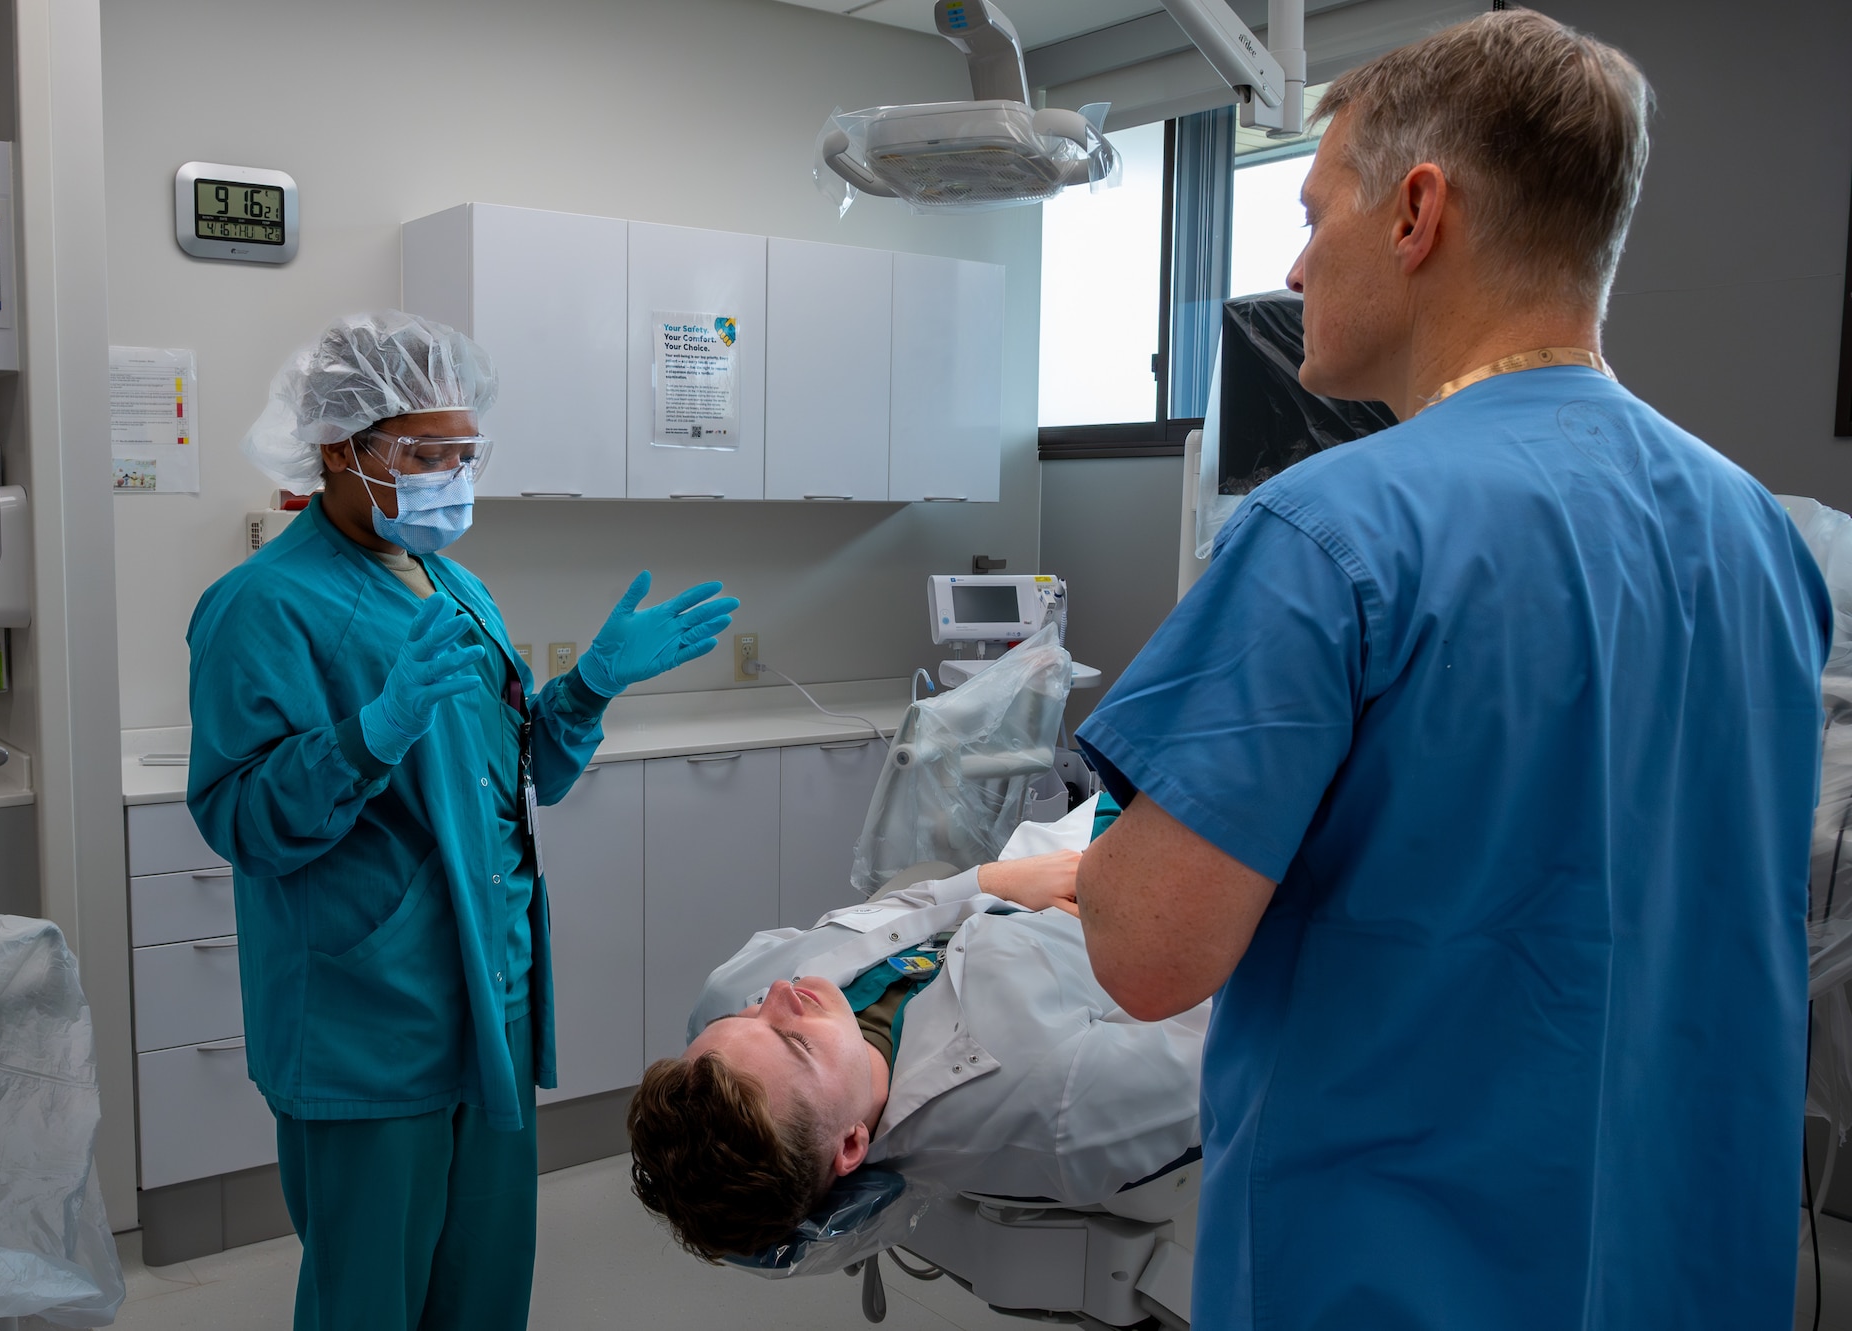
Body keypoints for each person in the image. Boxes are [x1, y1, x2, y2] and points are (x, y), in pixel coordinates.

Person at [1072, 11, 1832, 1329]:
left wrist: (1103, 838)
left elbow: (1147, 951)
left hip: (1398, 1270)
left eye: (1314, 214)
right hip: (1685, 1263)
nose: (1295, 267)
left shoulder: (1330, 530)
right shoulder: (1756, 533)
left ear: (1417, 212)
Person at [186, 311, 738, 1331]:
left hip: (491, 993)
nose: (450, 475)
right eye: (423, 453)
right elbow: (240, 817)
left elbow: (518, 776)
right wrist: (367, 737)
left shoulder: (458, 586)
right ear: (339, 447)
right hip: (368, 1011)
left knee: (485, 1284)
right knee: (370, 1298)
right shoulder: (263, 604)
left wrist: (588, 688)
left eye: (463, 453)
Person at [625, 799, 1204, 1261]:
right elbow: (1223, 1038)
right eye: (794, 1041)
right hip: (1181, 882)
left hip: (1070, 841)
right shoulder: (1060, 1108)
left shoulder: (726, 999)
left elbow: (886, 919)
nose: (778, 993)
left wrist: (992, 880)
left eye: (747, 1017)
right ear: (851, 1144)